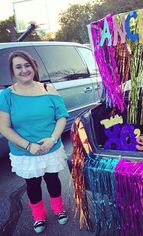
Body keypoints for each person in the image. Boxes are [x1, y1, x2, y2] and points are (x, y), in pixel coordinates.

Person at [0, 50, 69, 234]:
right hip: (25, 152)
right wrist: (29, 146)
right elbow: (4, 127)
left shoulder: (48, 90)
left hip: (51, 147)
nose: (24, 70)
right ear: (13, 71)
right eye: (18, 66)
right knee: (32, 185)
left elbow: (62, 117)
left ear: (34, 66)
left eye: (27, 65)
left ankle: (59, 209)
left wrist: (52, 139)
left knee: (53, 180)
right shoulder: (6, 96)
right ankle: (39, 217)